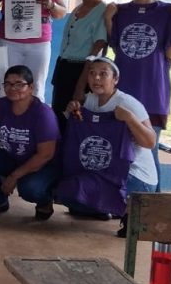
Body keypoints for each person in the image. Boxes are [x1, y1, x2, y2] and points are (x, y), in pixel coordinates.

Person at [105, 0, 171, 190]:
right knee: (121, 148)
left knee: (150, 150)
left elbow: (170, 52)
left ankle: (154, 206)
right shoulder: (119, 12)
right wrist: (108, 20)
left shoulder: (167, 12)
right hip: (123, 92)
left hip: (152, 91)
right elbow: (116, 48)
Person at [59, 57, 156, 233]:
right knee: (69, 190)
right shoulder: (89, 100)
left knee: (92, 187)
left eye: (103, 74)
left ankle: (129, 210)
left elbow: (150, 142)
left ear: (115, 79)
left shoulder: (128, 103)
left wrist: (129, 118)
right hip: (104, 169)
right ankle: (104, 208)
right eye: (92, 74)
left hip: (135, 174)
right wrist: (74, 108)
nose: (96, 79)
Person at [0, 65, 60, 220]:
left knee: (30, 189)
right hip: (14, 158)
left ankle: (45, 200)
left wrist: (14, 176)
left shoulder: (43, 114)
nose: (12, 88)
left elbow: (46, 155)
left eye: (19, 84)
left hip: (42, 166)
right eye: (8, 84)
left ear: (31, 87)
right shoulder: (0, 106)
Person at [51, 0, 108, 134]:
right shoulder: (77, 9)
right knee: (59, 118)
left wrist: (81, 86)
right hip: (63, 68)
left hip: (82, 71)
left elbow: (97, 51)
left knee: (76, 122)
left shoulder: (102, 11)